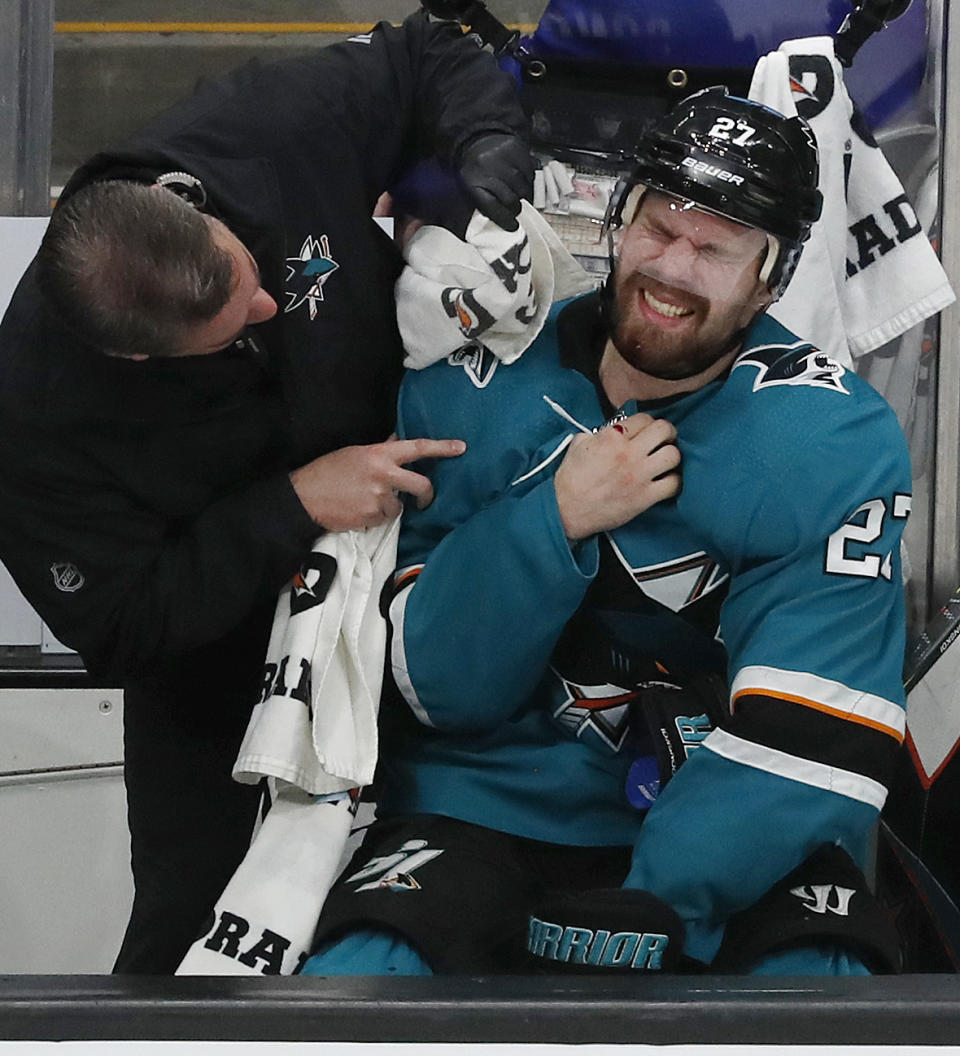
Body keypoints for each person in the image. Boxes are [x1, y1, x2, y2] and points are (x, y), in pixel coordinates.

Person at [302, 87, 909, 977]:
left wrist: (665, 898)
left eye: (715, 249)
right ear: (619, 221)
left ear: (769, 282)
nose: (672, 268)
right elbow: (436, 688)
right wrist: (556, 518)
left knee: (820, 1002)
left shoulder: (830, 439)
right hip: (486, 809)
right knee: (358, 981)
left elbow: (814, 738)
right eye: (659, 228)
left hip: (732, 823)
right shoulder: (477, 375)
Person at [0, 10, 534, 974]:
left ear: (188, 202)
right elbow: (122, 625)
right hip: (220, 663)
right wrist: (294, 503)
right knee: (199, 925)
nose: (265, 309)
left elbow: (428, 51)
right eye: (232, 324)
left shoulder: (255, 135)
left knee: (430, 884)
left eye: (249, 277)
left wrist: (484, 144)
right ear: (134, 354)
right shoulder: (35, 418)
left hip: (420, 570)